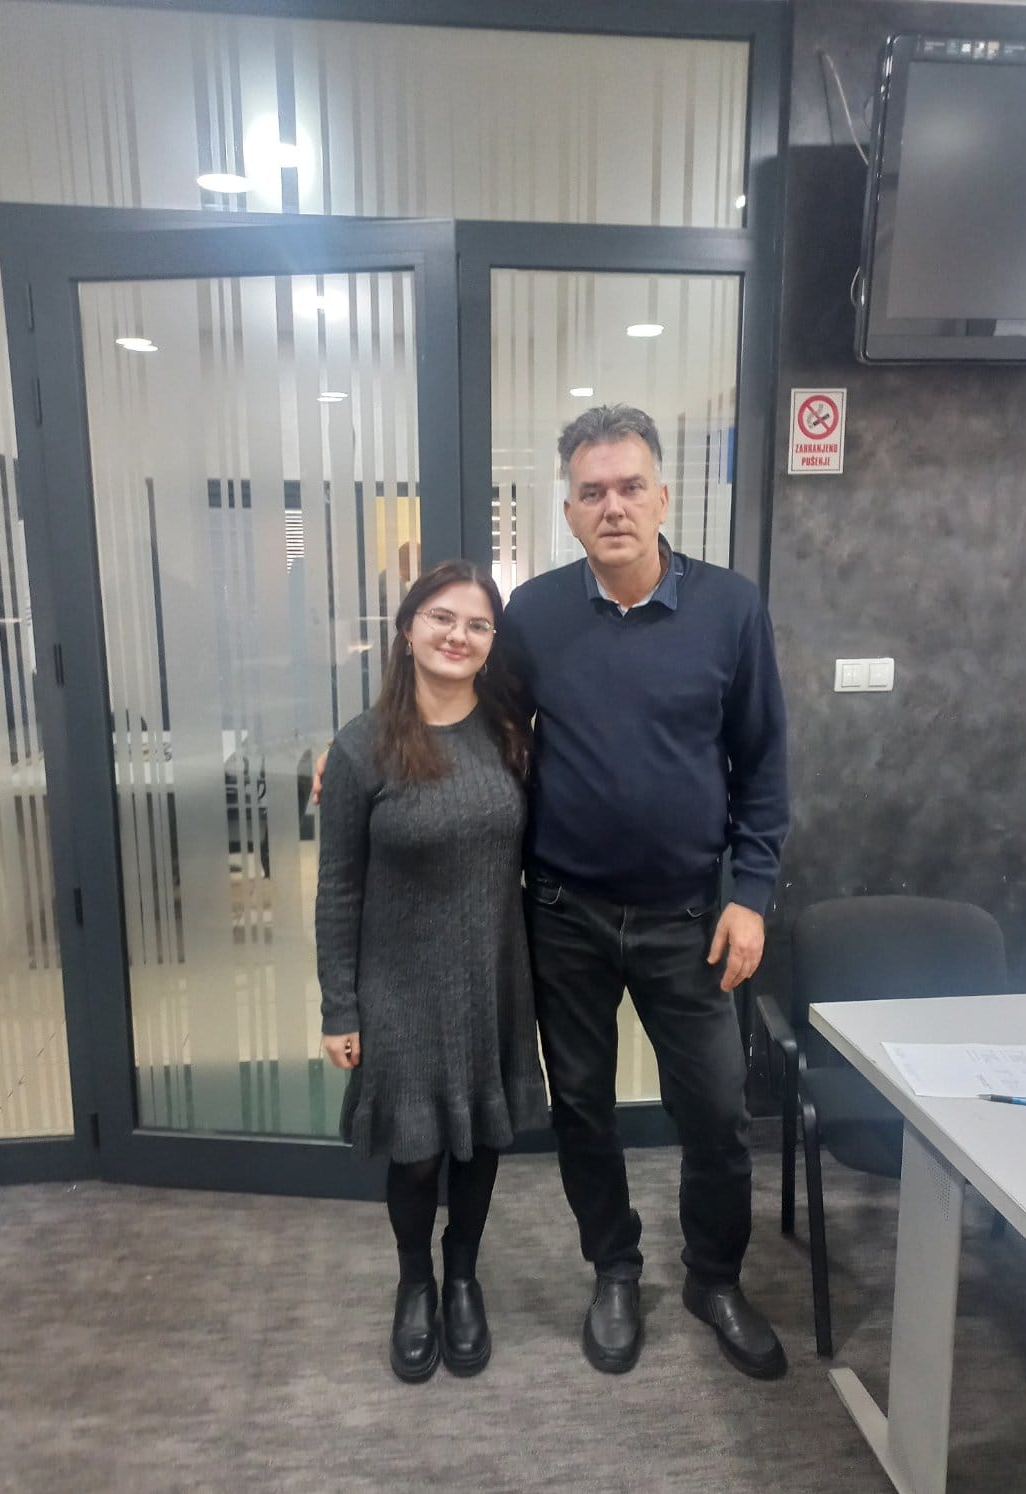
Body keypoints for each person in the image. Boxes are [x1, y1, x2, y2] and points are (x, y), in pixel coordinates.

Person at [497, 403, 790, 1380]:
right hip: (563, 914)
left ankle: (714, 1278)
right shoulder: (534, 615)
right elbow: (478, 728)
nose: (612, 506)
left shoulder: (729, 609)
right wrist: (367, 751)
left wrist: (752, 892)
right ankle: (614, 1270)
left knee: (716, 1113)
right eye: (592, 492)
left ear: (664, 496)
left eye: (630, 487)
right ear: (568, 511)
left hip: (690, 919)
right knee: (582, 1108)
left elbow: (764, 763)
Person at [315, 560, 548, 1384]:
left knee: (480, 1142)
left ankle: (462, 1278)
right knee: (415, 1153)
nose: (458, 635)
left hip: (492, 976)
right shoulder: (361, 747)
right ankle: (415, 1282)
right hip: (400, 988)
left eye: (478, 624)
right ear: (408, 628)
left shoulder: (512, 734)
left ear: (492, 643)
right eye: (442, 618)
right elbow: (339, 888)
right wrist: (339, 1007)